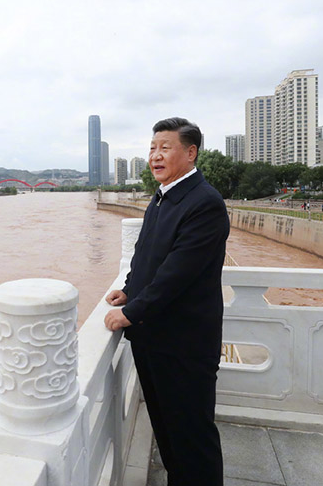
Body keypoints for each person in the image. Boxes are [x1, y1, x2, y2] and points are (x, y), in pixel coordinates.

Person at [104, 117, 229, 485]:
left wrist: (129, 313)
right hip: (154, 340)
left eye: (165, 147)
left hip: (184, 344)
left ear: (190, 153)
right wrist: (128, 289)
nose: (155, 156)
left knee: (192, 436)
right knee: (168, 431)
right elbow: (147, 255)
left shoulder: (204, 203)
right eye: (152, 148)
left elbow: (178, 273)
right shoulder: (163, 197)